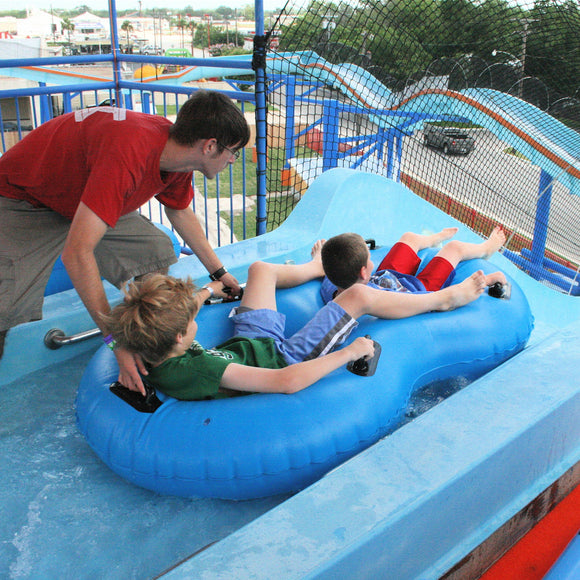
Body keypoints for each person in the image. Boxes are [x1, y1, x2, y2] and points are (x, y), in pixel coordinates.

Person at [0, 90, 249, 392]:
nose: (233, 160)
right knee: (3, 306)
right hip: (24, 200)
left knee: (154, 249)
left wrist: (219, 273)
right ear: (209, 146)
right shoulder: (129, 153)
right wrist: (114, 341)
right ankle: (129, 344)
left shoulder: (178, 157)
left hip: (81, 195)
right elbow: (77, 254)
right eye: (233, 151)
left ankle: (153, 346)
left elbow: (180, 211)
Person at [105, 239, 501, 399]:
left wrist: (208, 291)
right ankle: (441, 299)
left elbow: (170, 317)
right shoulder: (200, 369)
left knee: (261, 269)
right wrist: (350, 352)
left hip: (249, 343)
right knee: (359, 294)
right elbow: (286, 382)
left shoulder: (156, 346)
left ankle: (315, 267)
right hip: (283, 357)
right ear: (176, 337)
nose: (195, 314)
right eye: (190, 317)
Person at [320, 226, 508, 303]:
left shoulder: (332, 288)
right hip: (418, 290)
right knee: (455, 248)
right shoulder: (379, 302)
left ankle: (435, 238)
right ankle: (487, 248)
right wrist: (485, 280)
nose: (372, 260)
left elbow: (327, 270)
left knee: (408, 238)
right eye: (370, 259)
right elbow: (438, 300)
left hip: (385, 277)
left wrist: (317, 261)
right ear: (363, 272)